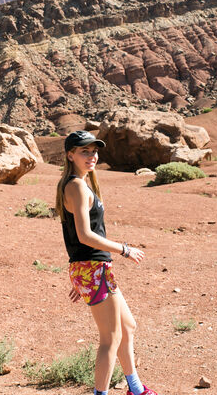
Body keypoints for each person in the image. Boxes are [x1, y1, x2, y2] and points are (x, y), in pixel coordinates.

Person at [56, 130, 158, 395]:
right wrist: (124, 249)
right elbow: (85, 235)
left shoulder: (79, 183)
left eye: (94, 151)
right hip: (92, 268)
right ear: (70, 155)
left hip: (92, 269)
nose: (92, 156)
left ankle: (135, 389)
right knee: (109, 339)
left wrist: (80, 276)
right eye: (84, 152)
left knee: (128, 326)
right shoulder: (76, 185)